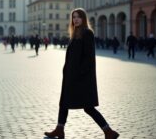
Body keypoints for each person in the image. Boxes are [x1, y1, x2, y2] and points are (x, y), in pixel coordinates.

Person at [44, 8, 119, 139]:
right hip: (70, 76)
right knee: (64, 103)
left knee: (88, 107)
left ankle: (108, 132)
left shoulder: (87, 33)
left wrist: (79, 74)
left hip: (81, 78)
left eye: (78, 17)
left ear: (83, 19)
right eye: (74, 17)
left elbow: (88, 57)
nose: (76, 19)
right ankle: (59, 129)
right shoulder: (75, 33)